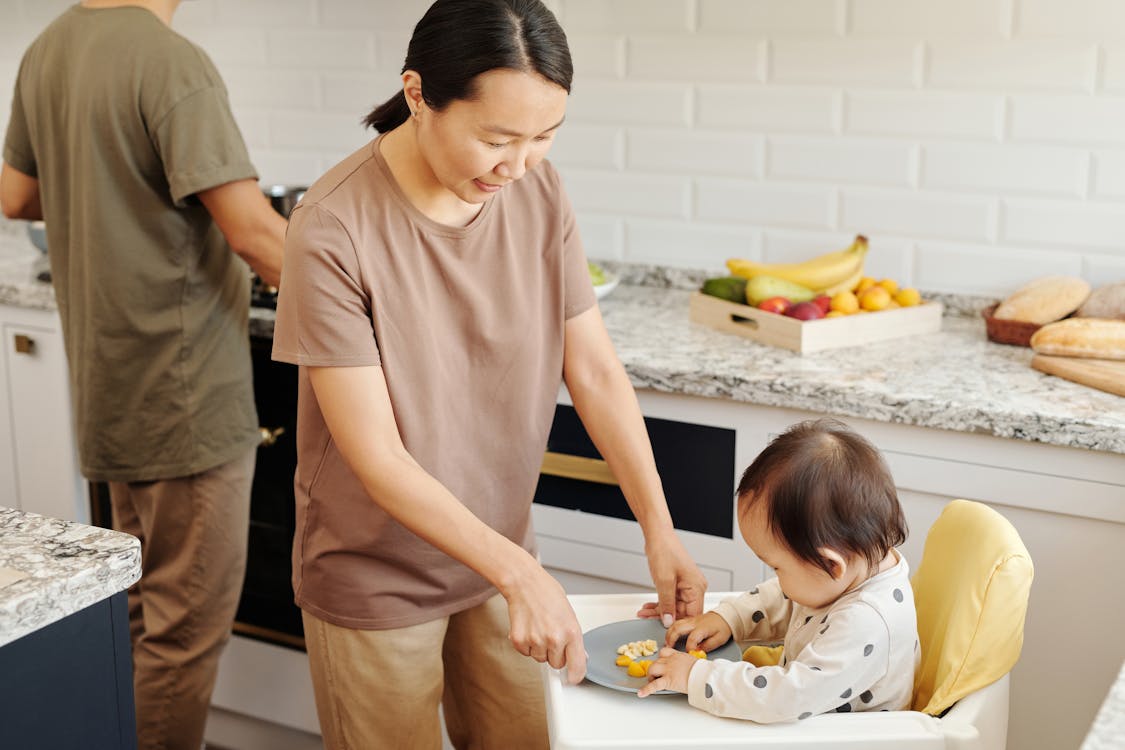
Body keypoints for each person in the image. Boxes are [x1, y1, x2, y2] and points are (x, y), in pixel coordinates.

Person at [269, 0, 707, 747]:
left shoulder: (536, 191)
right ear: (417, 95)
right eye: (495, 139)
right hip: (377, 573)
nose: (518, 164)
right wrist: (523, 576)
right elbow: (375, 457)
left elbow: (594, 371)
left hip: (497, 553)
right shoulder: (333, 226)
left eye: (543, 137)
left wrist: (658, 529)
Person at [1, 2, 286, 748]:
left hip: (111, 383)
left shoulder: (50, 49)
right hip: (184, 390)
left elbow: (15, 195)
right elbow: (256, 234)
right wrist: (383, 289)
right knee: (182, 634)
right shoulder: (170, 60)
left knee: (137, 610)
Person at [638, 419, 919, 724]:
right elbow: (787, 598)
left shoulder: (866, 621)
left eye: (776, 566)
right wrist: (730, 618)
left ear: (830, 564)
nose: (777, 580)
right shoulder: (844, 574)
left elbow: (787, 697)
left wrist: (696, 677)